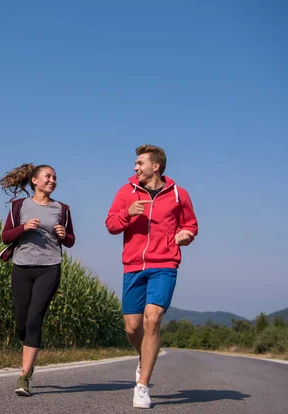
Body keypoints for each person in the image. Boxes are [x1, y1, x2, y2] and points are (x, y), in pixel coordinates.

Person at [105, 145, 198, 409]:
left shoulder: (180, 194)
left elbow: (190, 224)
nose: (135, 167)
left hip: (165, 264)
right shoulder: (126, 192)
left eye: (139, 163)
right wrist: (127, 213)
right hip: (133, 266)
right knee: (132, 328)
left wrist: (185, 236)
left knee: (153, 319)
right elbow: (111, 224)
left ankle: (142, 387)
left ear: (155, 166)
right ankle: (143, 357)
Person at [0, 163, 75, 397]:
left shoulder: (62, 209)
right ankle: (30, 357)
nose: (52, 180)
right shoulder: (19, 206)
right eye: (47, 176)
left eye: (55, 178)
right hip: (22, 267)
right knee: (22, 323)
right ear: (34, 180)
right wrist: (23, 227)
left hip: (49, 268)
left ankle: (24, 375)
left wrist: (64, 235)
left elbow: (70, 240)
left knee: (34, 319)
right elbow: (5, 237)